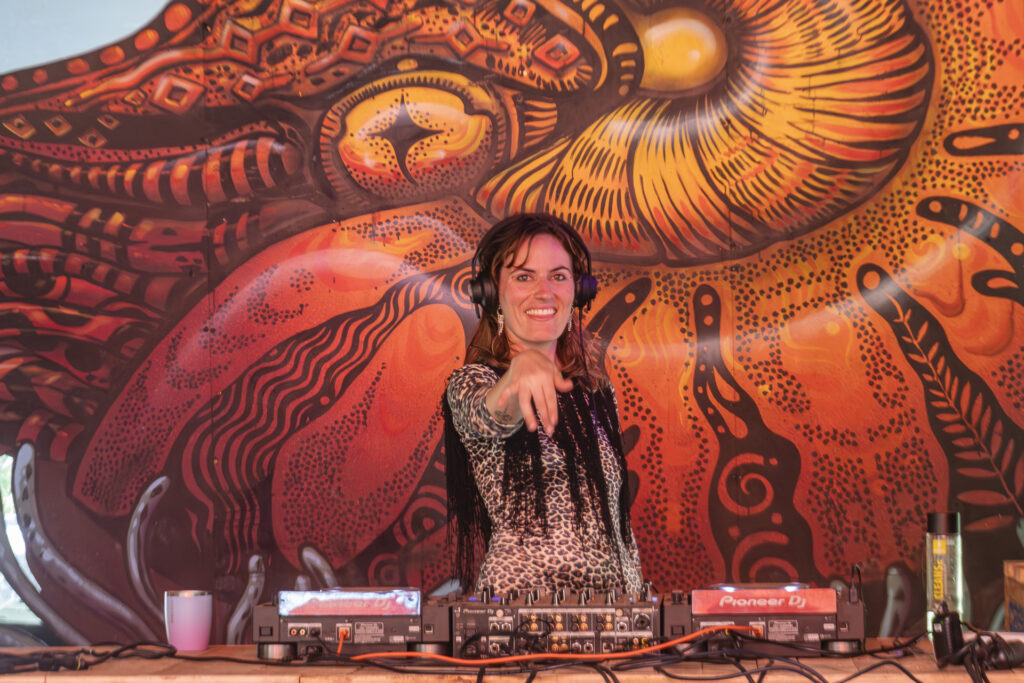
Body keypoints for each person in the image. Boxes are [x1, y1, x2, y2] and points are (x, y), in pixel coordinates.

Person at [442, 213, 643, 595]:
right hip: (522, 615)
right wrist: (519, 374)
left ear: (578, 292)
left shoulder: (598, 395)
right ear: (492, 295)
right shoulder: (472, 383)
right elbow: (489, 415)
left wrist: (635, 603)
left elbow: (618, 532)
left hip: (610, 614)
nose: (545, 291)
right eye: (524, 277)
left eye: (559, 276)